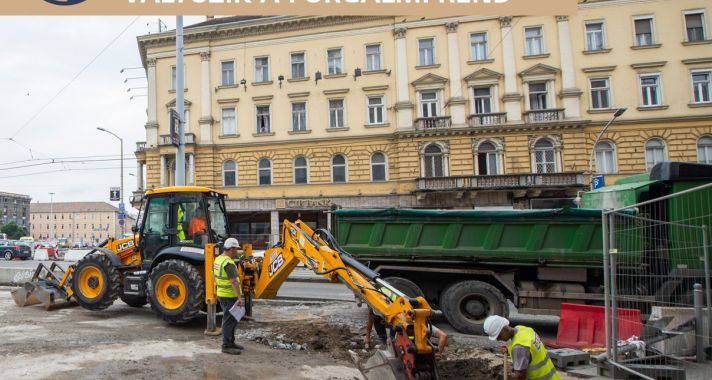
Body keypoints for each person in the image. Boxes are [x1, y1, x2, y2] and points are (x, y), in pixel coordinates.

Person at [484, 315, 559, 380]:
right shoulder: (522, 329)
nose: (498, 339)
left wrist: (514, 350)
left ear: (505, 329)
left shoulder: (519, 348)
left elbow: (520, 375)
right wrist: (509, 349)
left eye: (499, 336)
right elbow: (529, 350)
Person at [213, 237, 245, 355]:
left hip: (222, 294)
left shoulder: (218, 260)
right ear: (231, 249)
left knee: (232, 320)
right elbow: (234, 282)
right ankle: (226, 345)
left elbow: (213, 274)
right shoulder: (228, 263)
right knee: (228, 321)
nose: (236, 251)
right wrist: (240, 297)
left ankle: (231, 343)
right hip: (229, 296)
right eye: (236, 249)